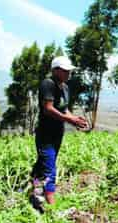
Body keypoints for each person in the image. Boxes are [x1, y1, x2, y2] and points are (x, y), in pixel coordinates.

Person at [30, 56, 88, 209]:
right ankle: (51, 206)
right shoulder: (48, 84)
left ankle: (35, 189)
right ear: (55, 70)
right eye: (65, 70)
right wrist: (70, 120)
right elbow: (48, 109)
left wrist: (74, 118)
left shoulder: (65, 88)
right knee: (50, 169)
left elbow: (63, 109)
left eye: (69, 70)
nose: (68, 73)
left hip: (57, 134)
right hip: (45, 134)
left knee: (43, 165)